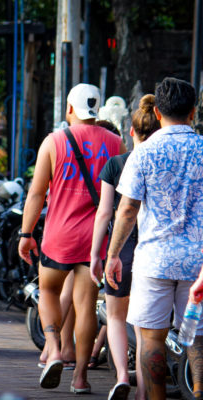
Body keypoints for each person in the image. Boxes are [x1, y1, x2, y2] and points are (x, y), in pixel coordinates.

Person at [18, 83, 125, 393]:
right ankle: (80, 377)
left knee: (48, 291)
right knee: (87, 305)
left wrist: (26, 234)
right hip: (96, 240)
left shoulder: (54, 141)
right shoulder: (117, 143)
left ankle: (52, 348)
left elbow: (37, 192)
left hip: (58, 236)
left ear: (69, 109)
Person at [108, 77, 203, 400]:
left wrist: (112, 254)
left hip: (155, 261)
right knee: (199, 337)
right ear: (193, 112)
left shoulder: (144, 152)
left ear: (158, 112)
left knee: (152, 338)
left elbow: (127, 210)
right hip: (199, 264)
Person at [90, 95, 160, 400]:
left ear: (130, 132)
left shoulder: (116, 163)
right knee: (147, 327)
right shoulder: (163, 161)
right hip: (152, 250)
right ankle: (144, 390)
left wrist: (97, 253)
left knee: (115, 317)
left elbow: (106, 213)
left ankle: (121, 375)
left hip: (121, 250)